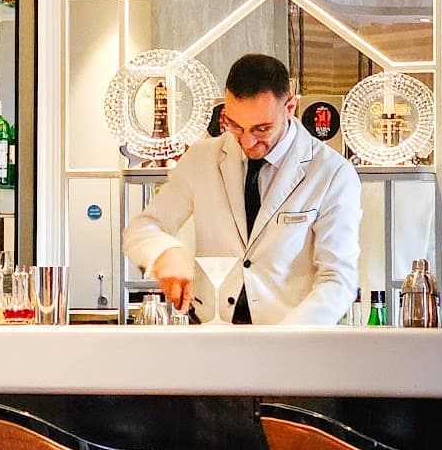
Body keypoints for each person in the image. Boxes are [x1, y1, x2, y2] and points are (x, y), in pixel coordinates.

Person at [122, 54, 360, 325]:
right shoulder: (202, 159)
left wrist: (288, 340)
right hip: (212, 336)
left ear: (290, 107)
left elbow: (338, 279)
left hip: (291, 341)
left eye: (262, 128)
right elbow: (141, 228)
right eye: (234, 125)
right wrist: (165, 252)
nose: (247, 140)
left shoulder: (331, 172)